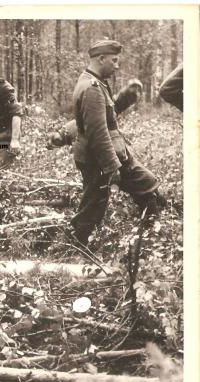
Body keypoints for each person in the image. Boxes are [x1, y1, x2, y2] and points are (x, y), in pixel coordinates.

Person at [60, 40, 163, 247]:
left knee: (145, 183)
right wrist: (112, 166)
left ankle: (153, 234)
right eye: (114, 61)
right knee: (94, 204)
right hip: (99, 158)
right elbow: (97, 131)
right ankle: (77, 245)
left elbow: (106, 114)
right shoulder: (91, 88)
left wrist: (126, 97)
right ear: (101, 59)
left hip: (105, 155)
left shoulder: (94, 82)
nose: (117, 66)